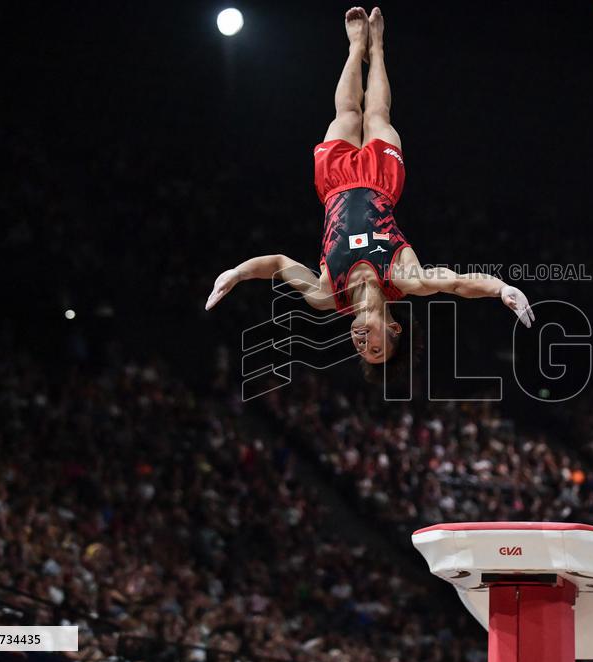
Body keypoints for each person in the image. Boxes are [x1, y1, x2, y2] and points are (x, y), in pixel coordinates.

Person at [206, 6, 534, 383]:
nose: (363, 344)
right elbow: (458, 283)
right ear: (395, 330)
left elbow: (279, 264)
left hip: (335, 184)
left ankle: (354, 45)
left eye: (362, 351)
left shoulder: (328, 294)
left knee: (346, 111)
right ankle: (377, 48)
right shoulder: (404, 278)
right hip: (381, 181)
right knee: (377, 113)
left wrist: (236, 273)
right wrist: (502, 289)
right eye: (376, 348)